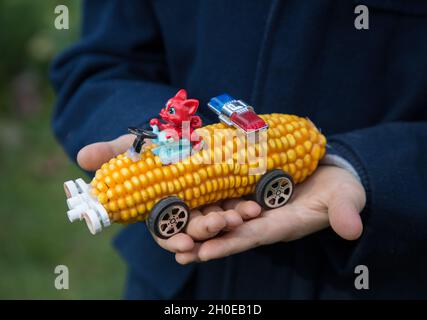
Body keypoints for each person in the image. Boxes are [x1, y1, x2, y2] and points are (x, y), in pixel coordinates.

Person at [50, 0, 427, 299]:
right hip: (177, 287)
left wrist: (369, 164)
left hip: (367, 275)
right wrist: (138, 124)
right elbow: (104, 61)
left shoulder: (261, 153)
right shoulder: (185, 130)